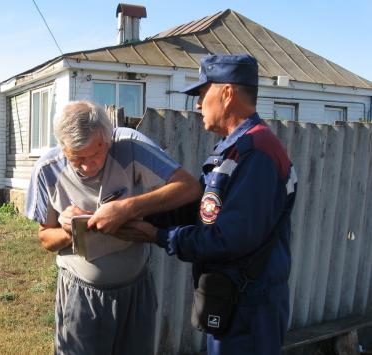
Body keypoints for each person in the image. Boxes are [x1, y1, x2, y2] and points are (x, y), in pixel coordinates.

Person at [116, 54, 298, 355]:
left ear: (226, 94)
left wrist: (156, 235)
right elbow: (201, 210)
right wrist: (133, 210)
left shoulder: (257, 153)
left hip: (249, 309)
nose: (198, 104)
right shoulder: (234, 150)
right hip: (232, 300)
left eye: (202, 94)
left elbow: (228, 239)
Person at [25, 100, 202, 355]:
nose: (87, 166)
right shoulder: (47, 170)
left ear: (107, 140)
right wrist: (67, 230)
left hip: (135, 290)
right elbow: (44, 238)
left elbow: (189, 187)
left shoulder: (129, 146)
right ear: (62, 148)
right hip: (81, 296)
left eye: (96, 154)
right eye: (76, 158)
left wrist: (127, 208)